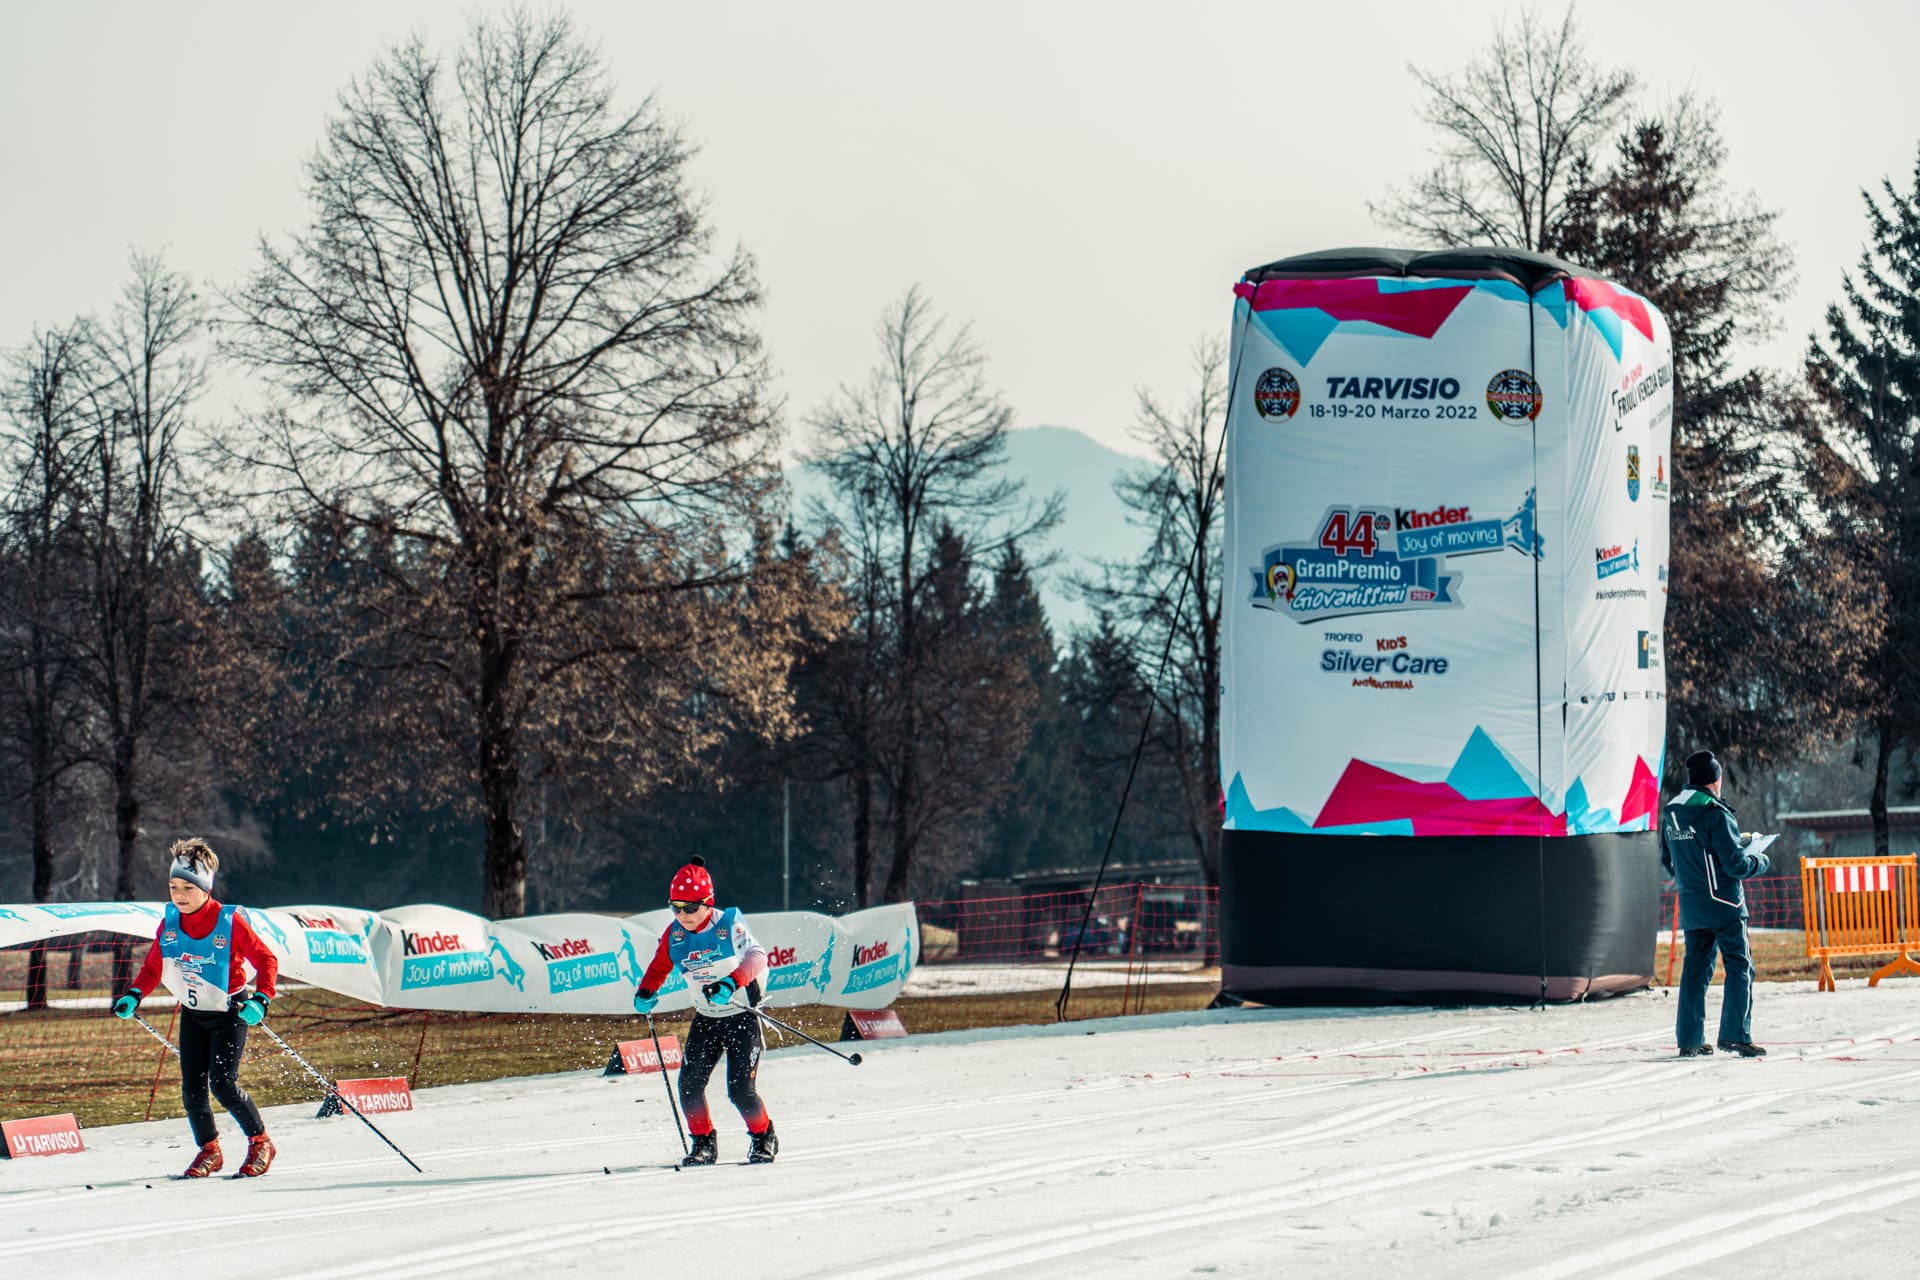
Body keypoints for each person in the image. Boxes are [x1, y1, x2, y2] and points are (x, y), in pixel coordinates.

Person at [111, 838, 280, 1177]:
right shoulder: (170, 922)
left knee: (223, 1084)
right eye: (173, 887)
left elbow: (266, 960)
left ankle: (260, 1142)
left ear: (206, 888)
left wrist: (261, 999)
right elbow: (153, 967)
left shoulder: (229, 921)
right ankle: (210, 1150)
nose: (180, 895)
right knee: (192, 1089)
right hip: (193, 1014)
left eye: (188, 887)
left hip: (230, 1012)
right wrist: (135, 994)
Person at [631, 856, 776, 1166]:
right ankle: (703, 1144)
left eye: (690, 908)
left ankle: (764, 1137)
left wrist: (731, 982)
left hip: (741, 1017)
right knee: (689, 1087)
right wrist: (646, 991)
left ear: (708, 903)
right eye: (675, 907)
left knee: (740, 1091)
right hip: (707, 1019)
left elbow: (758, 957)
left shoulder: (728, 926)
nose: (682, 915)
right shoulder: (675, 935)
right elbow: (659, 966)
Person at [1661, 750, 1771, 1058]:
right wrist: (1760, 859)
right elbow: (1735, 865)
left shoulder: (1672, 813)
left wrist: (1693, 879)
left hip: (1693, 905)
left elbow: (1669, 861)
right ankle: (1735, 1035)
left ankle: (1690, 1039)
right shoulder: (1716, 813)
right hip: (1725, 906)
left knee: (1695, 973)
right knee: (1740, 967)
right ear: (1715, 781)